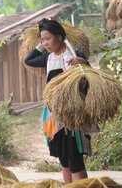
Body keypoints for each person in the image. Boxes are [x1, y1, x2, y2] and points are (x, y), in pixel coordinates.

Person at [24, 18, 90, 183]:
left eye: (48, 38)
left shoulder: (74, 55)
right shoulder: (48, 58)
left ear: (59, 36)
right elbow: (28, 60)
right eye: (42, 39)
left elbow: (88, 79)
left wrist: (83, 63)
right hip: (53, 116)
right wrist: (42, 44)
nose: (45, 43)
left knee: (75, 158)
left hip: (71, 115)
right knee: (63, 159)